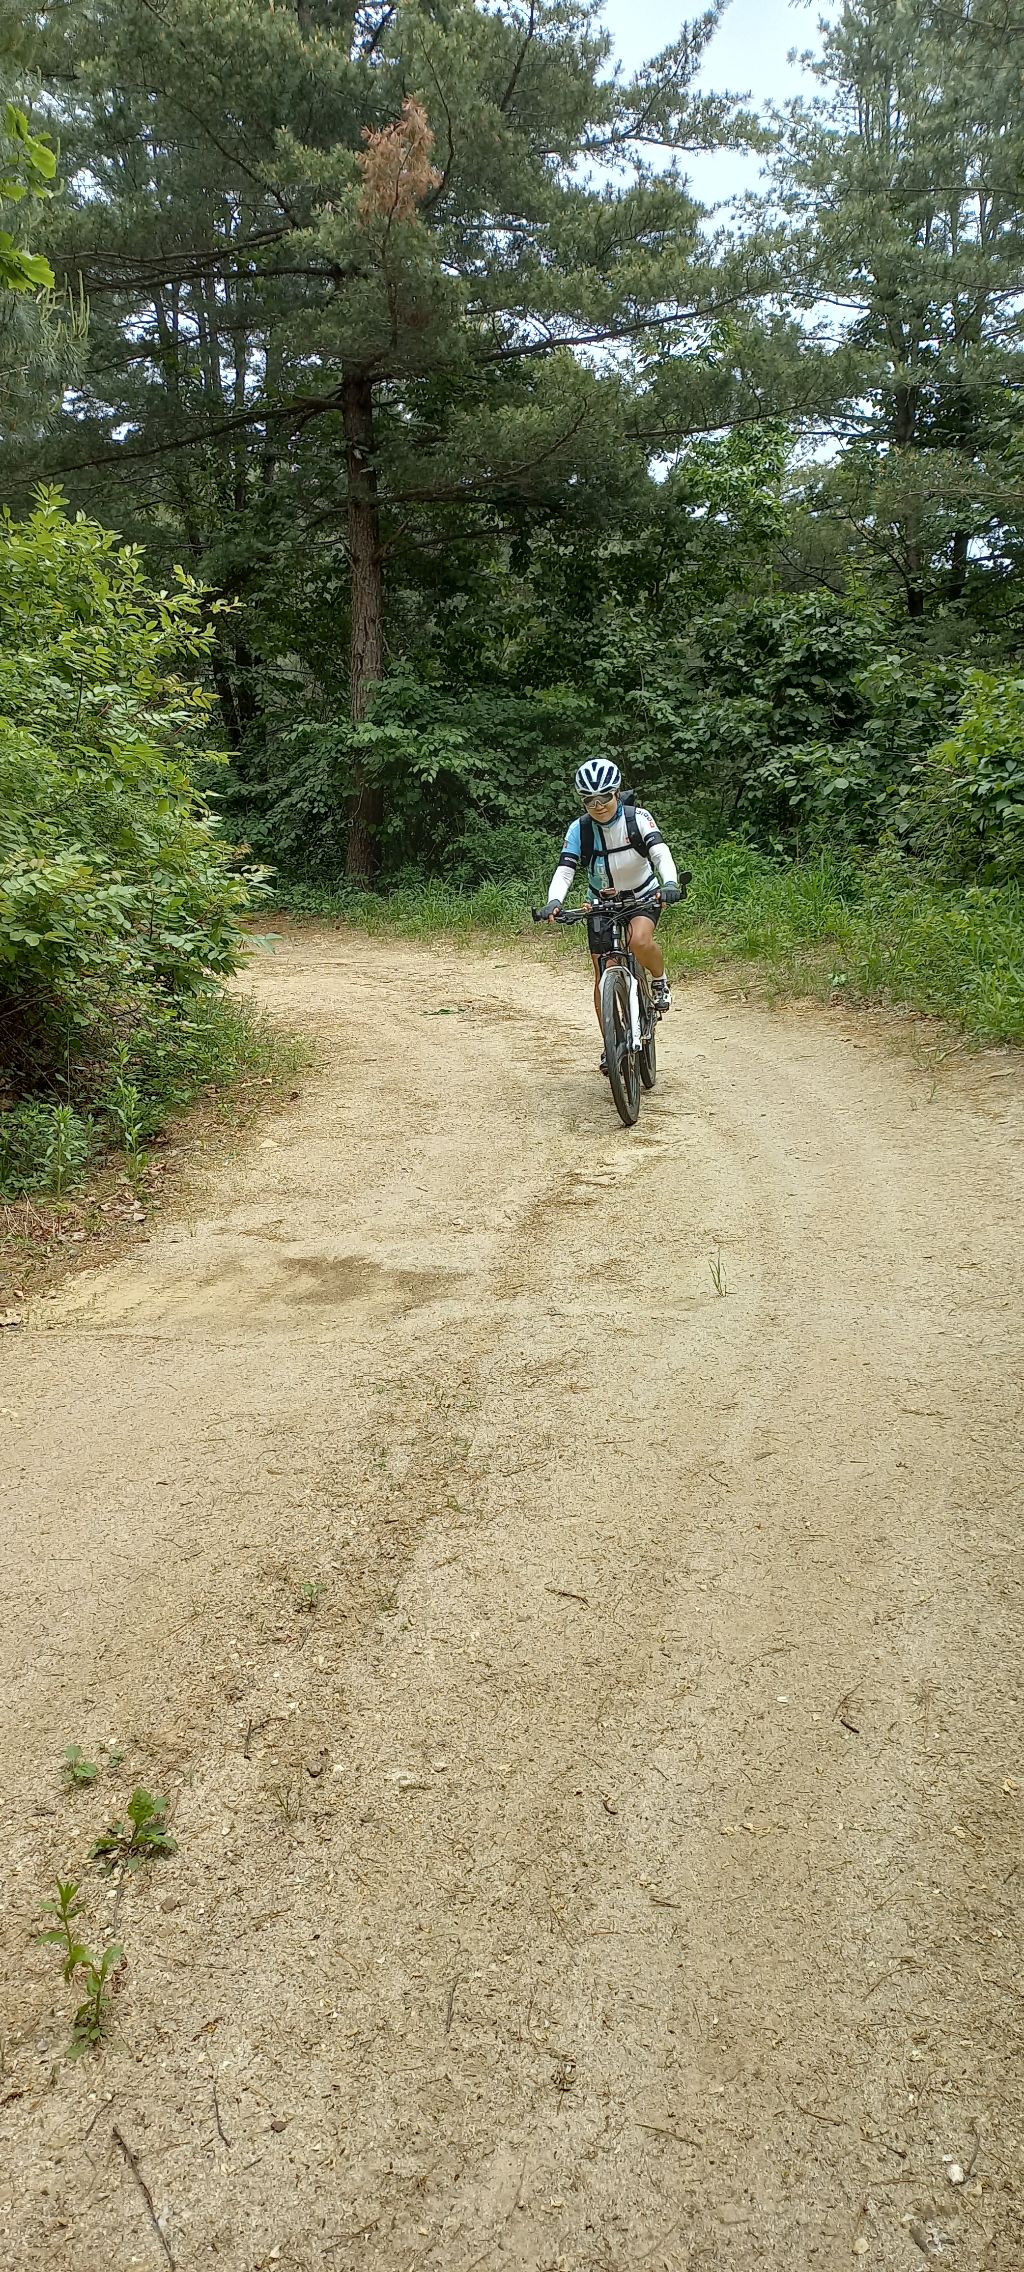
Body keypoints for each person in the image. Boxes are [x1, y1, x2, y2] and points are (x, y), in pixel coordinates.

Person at [538, 758, 684, 1071]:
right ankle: (611, 1044)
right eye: (589, 800)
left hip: (643, 895)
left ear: (616, 793)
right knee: (603, 971)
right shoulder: (580, 829)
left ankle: (659, 980)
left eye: (604, 796)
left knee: (639, 941)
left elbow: (660, 853)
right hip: (601, 903)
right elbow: (565, 869)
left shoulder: (638, 818)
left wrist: (670, 883)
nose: (598, 805)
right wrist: (554, 901)